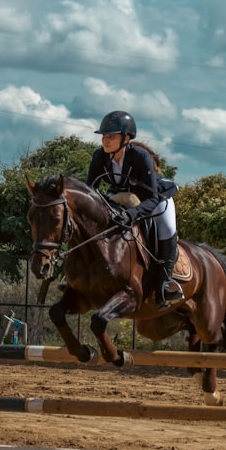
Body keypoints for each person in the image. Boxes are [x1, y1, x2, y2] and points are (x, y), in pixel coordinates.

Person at [87, 110, 183, 306]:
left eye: (111, 136)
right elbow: (91, 190)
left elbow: (152, 197)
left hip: (155, 199)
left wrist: (132, 214)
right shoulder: (99, 156)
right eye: (104, 136)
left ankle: (165, 283)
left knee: (167, 229)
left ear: (126, 137)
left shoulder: (140, 156)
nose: (105, 140)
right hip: (122, 198)